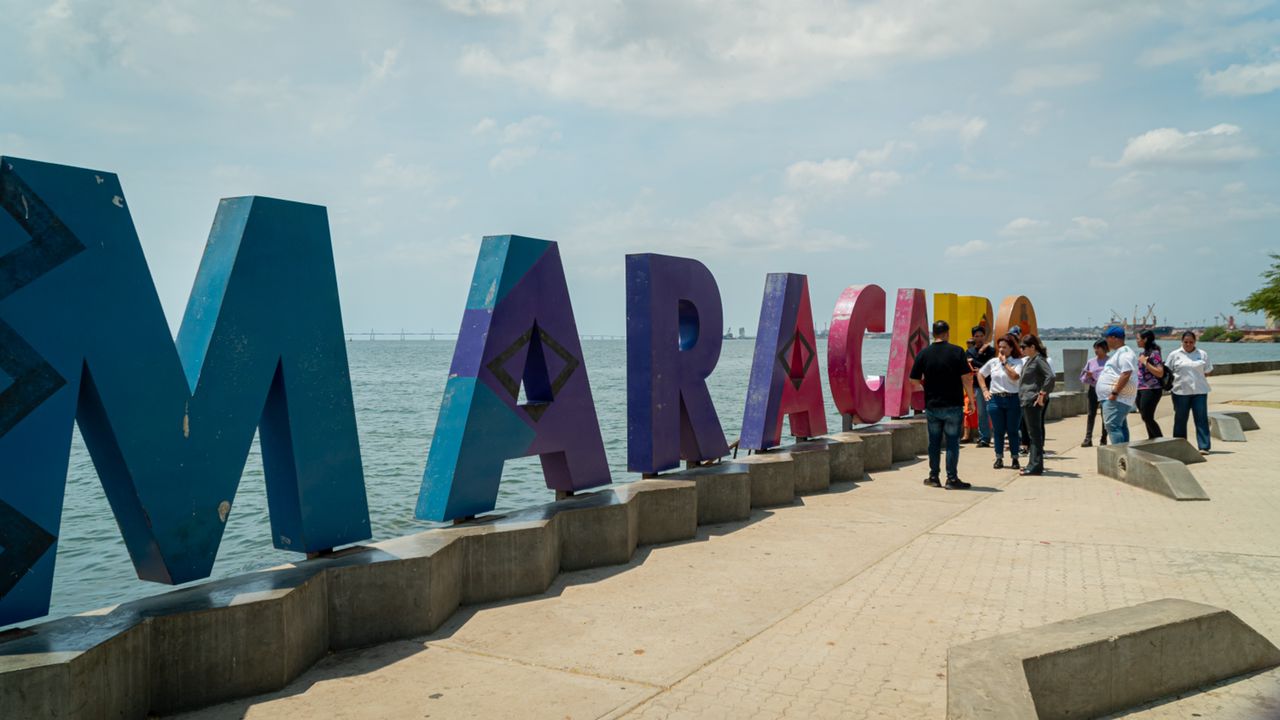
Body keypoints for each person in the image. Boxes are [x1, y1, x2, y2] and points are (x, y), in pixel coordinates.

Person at [910, 320, 974, 489]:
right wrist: (972, 401)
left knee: (934, 443)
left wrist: (926, 384)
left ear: (933, 334)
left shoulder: (924, 354)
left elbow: (913, 379)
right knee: (952, 442)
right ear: (947, 333)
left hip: (932, 405)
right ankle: (952, 479)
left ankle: (933, 477)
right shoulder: (958, 352)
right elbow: (966, 378)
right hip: (953, 404)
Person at [977, 334, 1024, 470]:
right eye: (1000, 347)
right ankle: (999, 457)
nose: (1001, 350)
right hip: (995, 399)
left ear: (1011, 348)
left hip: (1012, 398)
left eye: (1005, 347)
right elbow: (980, 374)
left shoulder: (1017, 362)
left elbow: (1015, 377)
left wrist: (1005, 363)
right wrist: (985, 390)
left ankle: (1015, 458)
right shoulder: (993, 362)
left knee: (1013, 430)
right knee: (998, 431)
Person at [1166, 331, 1214, 454]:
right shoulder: (1174, 355)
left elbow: (1208, 371)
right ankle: (1179, 445)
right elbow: (1167, 371)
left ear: (1195, 342)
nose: (1188, 344)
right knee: (1180, 419)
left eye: (1191, 342)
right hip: (1180, 392)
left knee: (1201, 419)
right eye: (1186, 342)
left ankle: (1204, 446)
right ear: (1181, 342)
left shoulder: (1202, 354)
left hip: (1200, 391)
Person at [1018, 334, 1055, 476]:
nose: (1022, 350)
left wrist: (1042, 394)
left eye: (1024, 347)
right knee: (1033, 434)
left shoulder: (1039, 360)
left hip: (1032, 400)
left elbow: (1050, 376)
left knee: (1035, 435)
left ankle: (1036, 466)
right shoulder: (1031, 360)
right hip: (1026, 400)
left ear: (1033, 347)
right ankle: (1032, 464)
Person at [1096, 325, 1139, 445]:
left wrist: (1114, 393)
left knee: (1112, 425)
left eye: (1107, 338)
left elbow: (1126, 373)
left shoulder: (1125, 353)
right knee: (1120, 426)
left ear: (1115, 338)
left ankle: (1120, 455)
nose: (1106, 341)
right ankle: (1125, 453)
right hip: (1116, 396)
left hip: (1117, 397)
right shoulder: (1119, 353)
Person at [966, 325, 995, 448]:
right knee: (982, 412)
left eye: (981, 336)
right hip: (977, 386)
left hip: (992, 385)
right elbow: (970, 365)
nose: (979, 338)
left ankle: (999, 434)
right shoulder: (969, 351)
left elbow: (990, 365)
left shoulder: (991, 350)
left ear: (985, 336)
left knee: (993, 411)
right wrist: (980, 358)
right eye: (976, 336)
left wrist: (977, 363)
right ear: (973, 337)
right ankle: (985, 438)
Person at [1134, 329, 1166, 439]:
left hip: (1152, 389)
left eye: (1138, 339)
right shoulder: (1142, 353)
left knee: (1147, 417)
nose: (1136, 341)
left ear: (1145, 339)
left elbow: (1160, 372)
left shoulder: (1155, 353)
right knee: (1145, 417)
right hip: (1140, 389)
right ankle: (1152, 440)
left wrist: (1145, 363)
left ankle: (1161, 440)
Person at [1079, 339, 1109, 447]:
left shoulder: (1110, 362)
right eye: (1095, 348)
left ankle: (1104, 439)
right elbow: (1082, 378)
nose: (1096, 350)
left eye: (1098, 348)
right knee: (1091, 414)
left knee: (1104, 415)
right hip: (1093, 390)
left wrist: (1095, 376)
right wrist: (1087, 376)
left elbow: (1110, 377)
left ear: (1104, 348)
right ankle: (1088, 438)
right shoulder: (1091, 362)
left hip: (1106, 391)